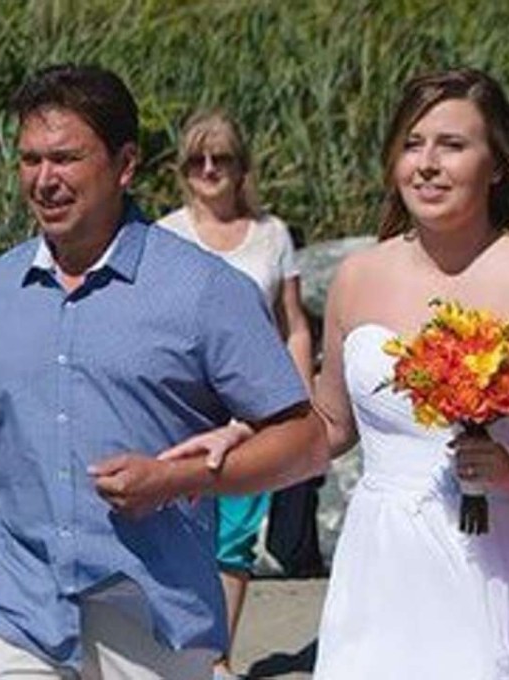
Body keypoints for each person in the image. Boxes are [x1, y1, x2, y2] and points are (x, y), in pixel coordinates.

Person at [0, 64, 327, 680]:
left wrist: (175, 478)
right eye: (30, 160)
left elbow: (306, 443)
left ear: (125, 164)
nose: (43, 180)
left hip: (156, 620)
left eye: (66, 158)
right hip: (18, 618)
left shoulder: (204, 290)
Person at [310, 67, 509, 678]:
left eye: (452, 145)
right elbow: (329, 426)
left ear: (497, 164)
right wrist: (239, 440)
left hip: (493, 557)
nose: (426, 163)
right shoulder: (357, 276)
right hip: (382, 564)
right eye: (412, 144)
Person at [157, 109, 314, 679]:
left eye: (220, 158)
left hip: (253, 408)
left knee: (236, 538)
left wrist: (299, 403)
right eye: (197, 158)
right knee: (179, 528)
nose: (208, 169)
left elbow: (293, 324)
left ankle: (220, 658)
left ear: (240, 166)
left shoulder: (273, 236)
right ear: (182, 168)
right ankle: (179, 654)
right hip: (184, 407)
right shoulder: (165, 233)